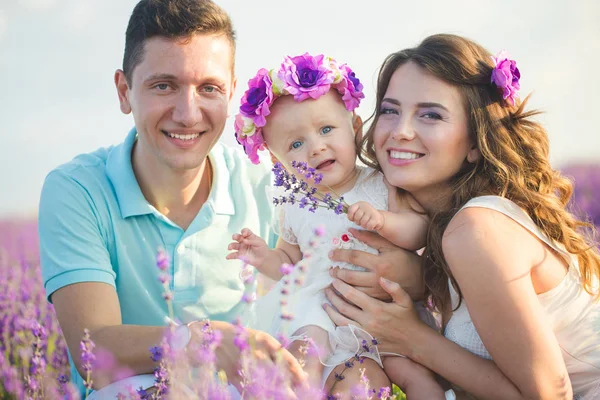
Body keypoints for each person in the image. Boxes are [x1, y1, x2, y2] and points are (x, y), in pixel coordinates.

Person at [38, 0, 425, 397]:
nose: (188, 114)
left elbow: (320, 266)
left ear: (231, 94)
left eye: (209, 88)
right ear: (124, 91)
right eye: (163, 85)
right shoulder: (78, 189)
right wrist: (199, 342)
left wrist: (406, 274)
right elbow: (92, 350)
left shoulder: (274, 183)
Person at [324, 33, 600, 399]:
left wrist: (411, 337)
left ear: (474, 143)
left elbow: (550, 394)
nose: (400, 131)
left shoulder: (476, 227)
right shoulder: (430, 231)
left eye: (431, 115)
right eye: (390, 110)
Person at [227, 53, 445, 399]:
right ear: (277, 161)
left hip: (384, 310)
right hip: (320, 308)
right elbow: (290, 262)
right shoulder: (294, 206)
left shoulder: (380, 183)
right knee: (302, 364)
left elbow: (419, 230)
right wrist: (263, 256)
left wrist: (385, 222)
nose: (316, 147)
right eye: (296, 144)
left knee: (415, 376)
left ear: (355, 128)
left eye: (326, 129)